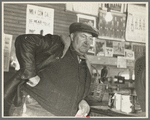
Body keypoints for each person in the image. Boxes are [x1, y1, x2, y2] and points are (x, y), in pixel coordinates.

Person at [6, 22, 98, 117]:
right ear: (72, 36)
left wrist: (82, 100)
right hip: (35, 107)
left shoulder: (84, 62)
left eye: (90, 38)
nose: (87, 42)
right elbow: (25, 41)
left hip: (58, 113)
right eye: (83, 36)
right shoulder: (57, 45)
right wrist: (31, 75)